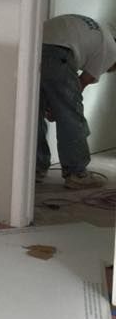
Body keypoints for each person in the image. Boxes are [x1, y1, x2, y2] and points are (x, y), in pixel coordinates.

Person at [36, 14, 116, 189]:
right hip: (59, 51)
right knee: (72, 115)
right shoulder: (111, 52)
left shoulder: (101, 33)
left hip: (33, 43)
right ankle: (76, 173)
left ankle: (35, 168)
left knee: (35, 111)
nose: (107, 71)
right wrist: (60, 109)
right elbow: (81, 84)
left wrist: (53, 107)